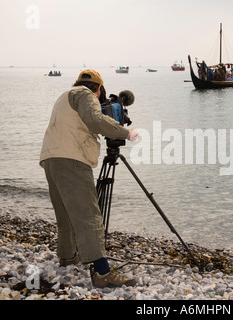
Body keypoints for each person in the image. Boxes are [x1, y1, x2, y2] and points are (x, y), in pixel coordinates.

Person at [39, 69, 139, 288]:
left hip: (51, 158)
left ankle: (68, 256)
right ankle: (102, 272)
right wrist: (126, 133)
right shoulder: (85, 94)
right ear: (99, 89)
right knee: (89, 214)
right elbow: (94, 119)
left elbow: (83, 121)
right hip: (71, 159)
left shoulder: (64, 96)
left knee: (65, 212)